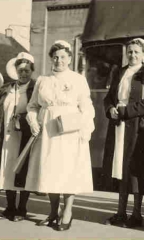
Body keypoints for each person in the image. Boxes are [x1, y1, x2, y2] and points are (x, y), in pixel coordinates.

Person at [24, 40, 95, 231]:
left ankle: (68, 212)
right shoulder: (42, 80)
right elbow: (32, 106)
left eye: (63, 57)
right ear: (50, 59)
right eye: (55, 57)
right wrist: (33, 122)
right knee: (50, 170)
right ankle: (53, 211)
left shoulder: (78, 79)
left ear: (70, 59)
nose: (59, 60)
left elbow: (86, 106)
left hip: (70, 130)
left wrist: (86, 129)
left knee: (68, 170)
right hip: (47, 130)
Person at [103, 38, 144, 227]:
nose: (133, 55)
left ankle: (136, 214)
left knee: (136, 169)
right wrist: (110, 108)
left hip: (136, 127)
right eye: (130, 52)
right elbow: (109, 97)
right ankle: (120, 212)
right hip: (119, 127)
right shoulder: (120, 72)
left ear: (143, 54)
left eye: (137, 52)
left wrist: (124, 111)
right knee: (120, 167)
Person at [0, 52, 36, 221]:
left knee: (23, 169)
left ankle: (21, 209)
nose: (23, 73)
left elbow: (38, 110)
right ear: (15, 70)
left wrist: (21, 118)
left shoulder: (35, 88)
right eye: (20, 70)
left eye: (27, 70)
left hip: (25, 136)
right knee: (7, 169)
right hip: (7, 136)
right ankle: (10, 207)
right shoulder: (8, 88)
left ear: (32, 71)